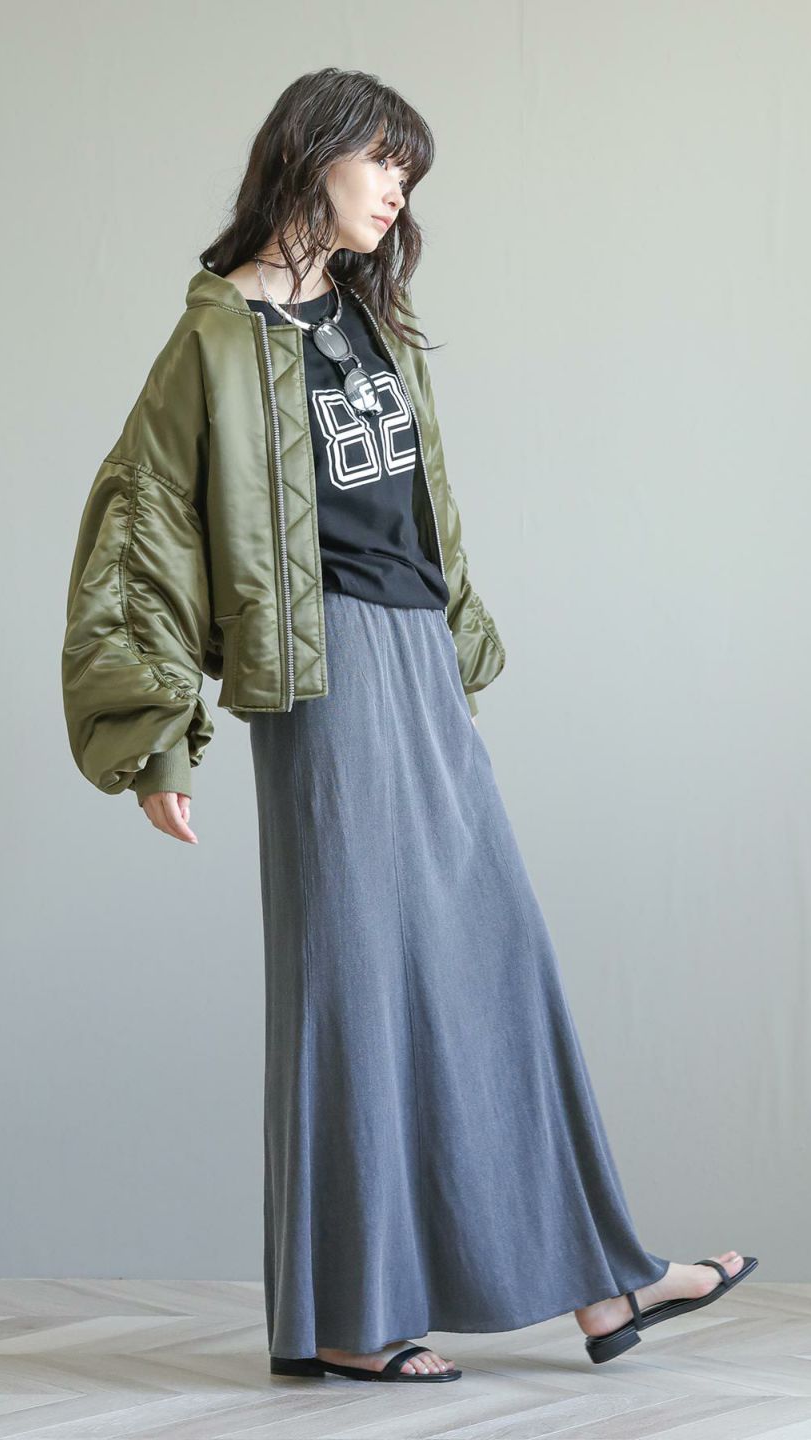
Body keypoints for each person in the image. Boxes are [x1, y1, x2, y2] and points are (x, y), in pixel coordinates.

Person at [61, 66, 757, 1385]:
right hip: (323, 676)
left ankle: (601, 1282)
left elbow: (419, 510)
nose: (398, 190)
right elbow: (140, 527)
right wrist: (153, 735)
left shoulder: (367, 314)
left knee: (494, 965)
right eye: (384, 161)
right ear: (311, 153)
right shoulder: (217, 340)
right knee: (355, 989)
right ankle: (348, 1313)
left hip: (416, 659)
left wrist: (451, 642)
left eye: (408, 172)